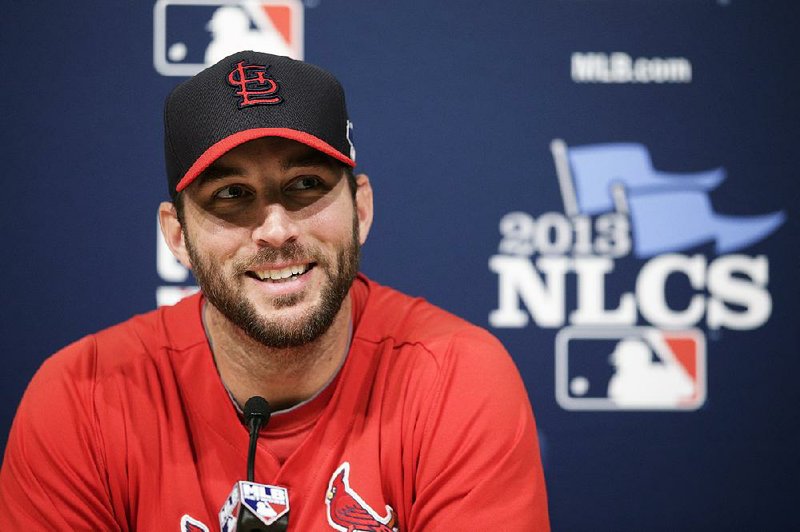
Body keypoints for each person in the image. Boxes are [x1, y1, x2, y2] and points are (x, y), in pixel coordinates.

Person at [0, 51, 549, 530]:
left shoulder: (456, 376)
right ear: (178, 236)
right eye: (232, 194)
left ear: (360, 210)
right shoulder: (84, 397)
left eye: (305, 185)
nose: (277, 230)